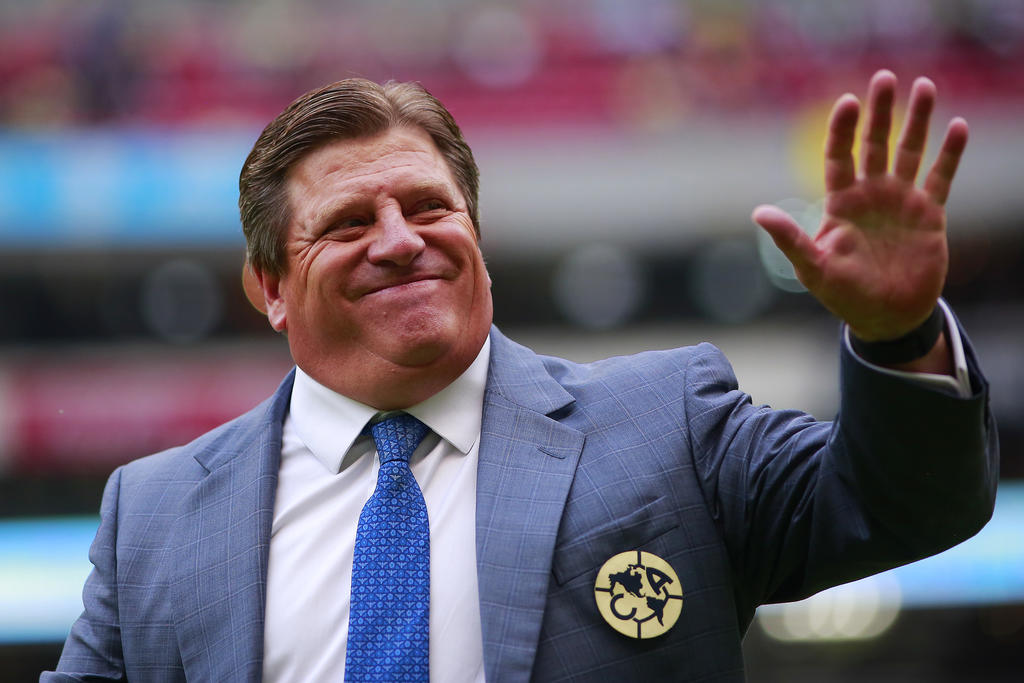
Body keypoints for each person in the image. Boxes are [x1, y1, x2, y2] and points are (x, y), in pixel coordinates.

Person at [44, 70, 998, 682]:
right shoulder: (153, 515)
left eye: (430, 207)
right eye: (348, 222)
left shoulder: (668, 422)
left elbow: (904, 504)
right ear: (269, 287)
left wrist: (898, 334)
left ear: (478, 236)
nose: (400, 241)